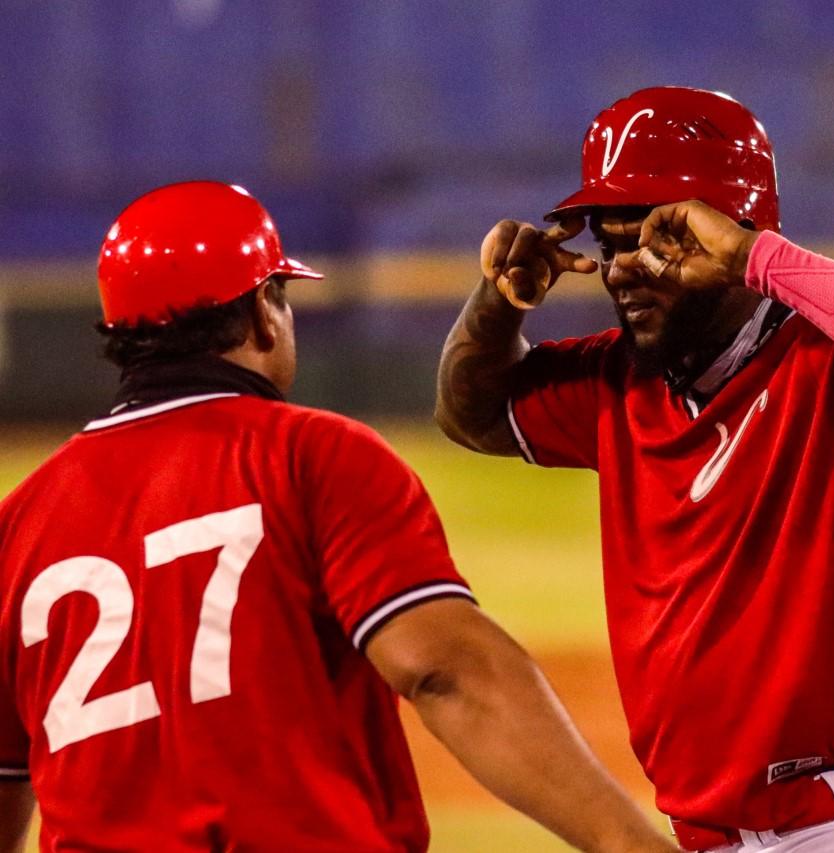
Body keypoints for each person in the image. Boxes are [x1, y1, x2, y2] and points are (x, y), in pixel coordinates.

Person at [0, 181, 674, 853]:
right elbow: (444, 670)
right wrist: (630, 845)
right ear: (264, 312)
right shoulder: (310, 454)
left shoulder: (18, 524)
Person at [436, 88, 834, 852]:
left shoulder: (832, 367)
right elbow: (473, 414)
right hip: (707, 835)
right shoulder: (618, 384)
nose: (625, 270)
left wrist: (756, 258)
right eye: (612, 245)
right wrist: (498, 306)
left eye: (660, 240)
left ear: (729, 230)